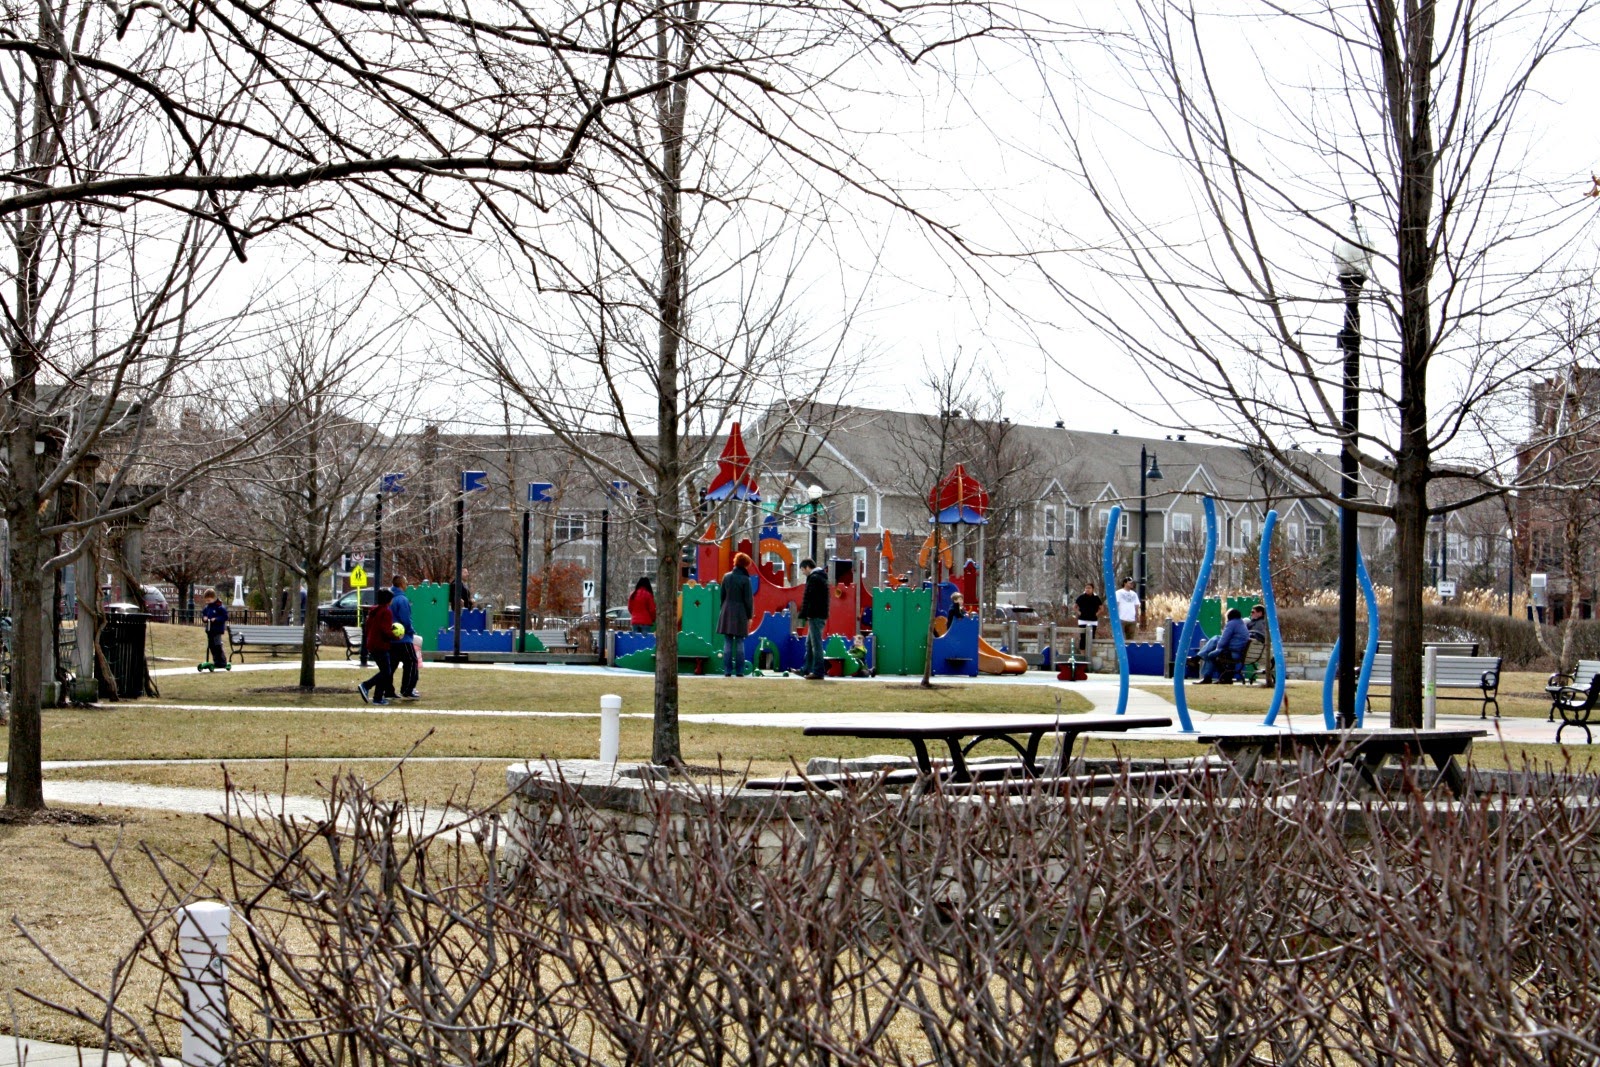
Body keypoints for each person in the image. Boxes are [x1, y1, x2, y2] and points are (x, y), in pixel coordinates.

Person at [717, 553, 754, 678]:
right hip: (740, 612)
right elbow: (748, 600)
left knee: (727, 641)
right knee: (739, 642)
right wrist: (750, 616)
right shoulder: (745, 579)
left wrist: (723, 610)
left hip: (727, 610)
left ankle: (727, 670)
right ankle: (739, 671)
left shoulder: (726, 577)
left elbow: (722, 597)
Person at [358, 588, 398, 705]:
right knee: (386, 672)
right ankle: (366, 685)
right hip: (381, 645)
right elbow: (385, 630)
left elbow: (368, 627)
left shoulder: (373, 611)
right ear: (388, 600)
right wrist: (395, 636)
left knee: (385, 671)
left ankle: (378, 698)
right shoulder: (386, 612)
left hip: (372, 643)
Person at [1200, 608, 1252, 684]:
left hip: (1233, 653)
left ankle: (1206, 674)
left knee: (1210, 654)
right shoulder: (1241, 624)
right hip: (1239, 652)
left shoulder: (1232, 624)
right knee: (1215, 641)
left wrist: (1218, 648)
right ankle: (1200, 658)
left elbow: (1224, 639)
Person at [798, 558, 829, 680]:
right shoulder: (819, 577)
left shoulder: (814, 578)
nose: (803, 573)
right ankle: (806, 669)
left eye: (802, 570)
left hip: (816, 615)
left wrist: (808, 613)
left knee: (816, 644)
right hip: (818, 614)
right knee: (810, 643)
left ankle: (818, 671)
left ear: (807, 567)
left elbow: (812, 599)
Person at [390, 575, 420, 700]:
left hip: (391, 638)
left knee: (391, 665)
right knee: (412, 662)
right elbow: (406, 620)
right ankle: (407, 689)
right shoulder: (402, 600)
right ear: (402, 584)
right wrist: (411, 631)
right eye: (406, 582)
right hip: (403, 638)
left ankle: (387, 689)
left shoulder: (390, 598)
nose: (407, 585)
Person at [200, 588, 228, 667]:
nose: (207, 602)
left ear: (213, 598)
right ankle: (216, 661)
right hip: (210, 629)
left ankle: (222, 662)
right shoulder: (207, 608)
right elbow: (203, 615)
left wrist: (216, 619)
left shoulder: (219, 607)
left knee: (217, 645)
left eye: (209, 600)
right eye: (206, 600)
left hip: (217, 629)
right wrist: (204, 618)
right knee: (211, 646)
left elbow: (225, 617)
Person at [1074, 582, 1103, 651]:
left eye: (1089, 588)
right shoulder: (1081, 597)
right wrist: (1079, 613)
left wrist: (1097, 614)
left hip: (1093, 620)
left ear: (1093, 589)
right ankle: (1083, 654)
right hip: (1082, 620)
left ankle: (1089, 653)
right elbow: (1075, 607)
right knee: (1083, 637)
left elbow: (1101, 608)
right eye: (1086, 588)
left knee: (1091, 637)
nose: (1087, 589)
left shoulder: (1096, 598)